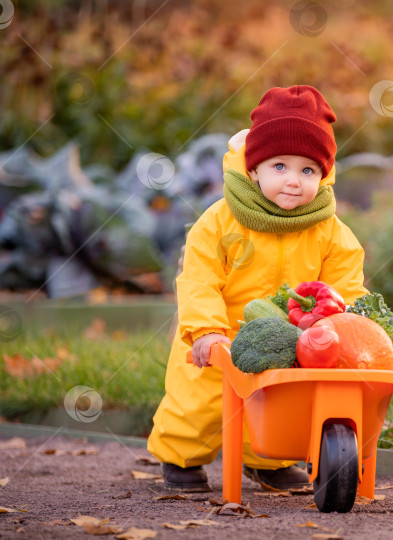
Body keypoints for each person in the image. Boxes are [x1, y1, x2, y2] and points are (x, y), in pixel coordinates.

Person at [147, 85, 368, 492]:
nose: (293, 181)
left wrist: (344, 334)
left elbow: (345, 288)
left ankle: (268, 460)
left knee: (281, 401)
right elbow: (199, 279)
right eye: (279, 166)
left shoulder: (331, 232)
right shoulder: (219, 222)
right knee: (200, 402)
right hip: (219, 336)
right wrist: (205, 329)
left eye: (308, 171)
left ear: (323, 175)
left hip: (288, 341)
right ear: (253, 169)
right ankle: (180, 458)